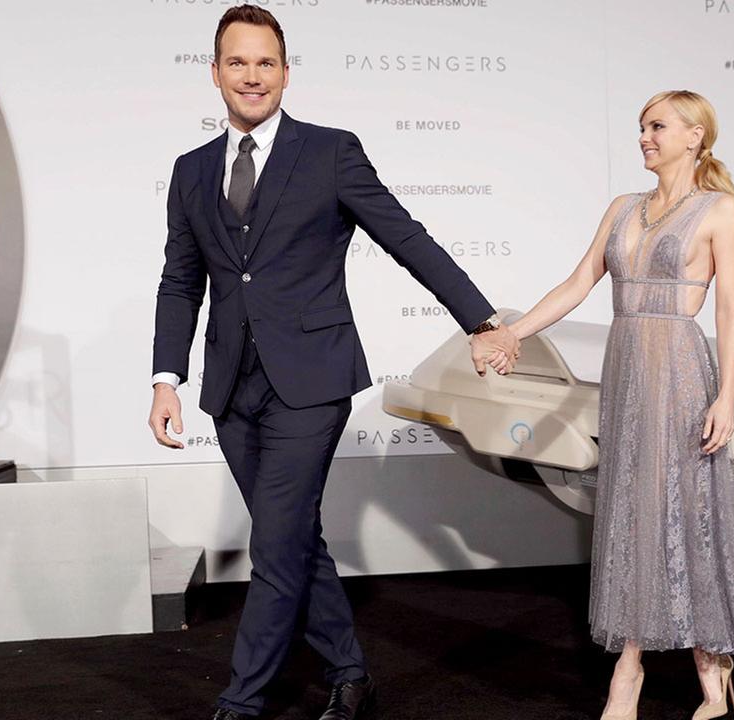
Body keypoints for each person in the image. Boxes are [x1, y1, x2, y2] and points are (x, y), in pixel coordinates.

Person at [146, 7, 520, 719]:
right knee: (293, 536)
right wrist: (167, 379)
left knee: (274, 544)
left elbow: (406, 238)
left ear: (286, 72)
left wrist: (480, 320)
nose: (252, 76)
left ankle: (242, 700)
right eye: (237, 62)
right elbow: (180, 281)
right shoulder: (190, 171)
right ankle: (349, 673)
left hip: (310, 382)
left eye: (265, 62)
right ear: (215, 72)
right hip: (230, 388)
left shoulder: (330, 152)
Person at [496, 90, 734, 720]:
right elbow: (578, 283)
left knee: (687, 509)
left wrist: (727, 395)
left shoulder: (721, 209)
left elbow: (730, 310)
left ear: (696, 135)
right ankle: (631, 664)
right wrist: (513, 333)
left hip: (681, 373)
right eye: (642, 127)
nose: (644, 137)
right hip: (626, 373)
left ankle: (709, 660)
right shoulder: (623, 207)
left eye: (657, 126)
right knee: (632, 510)